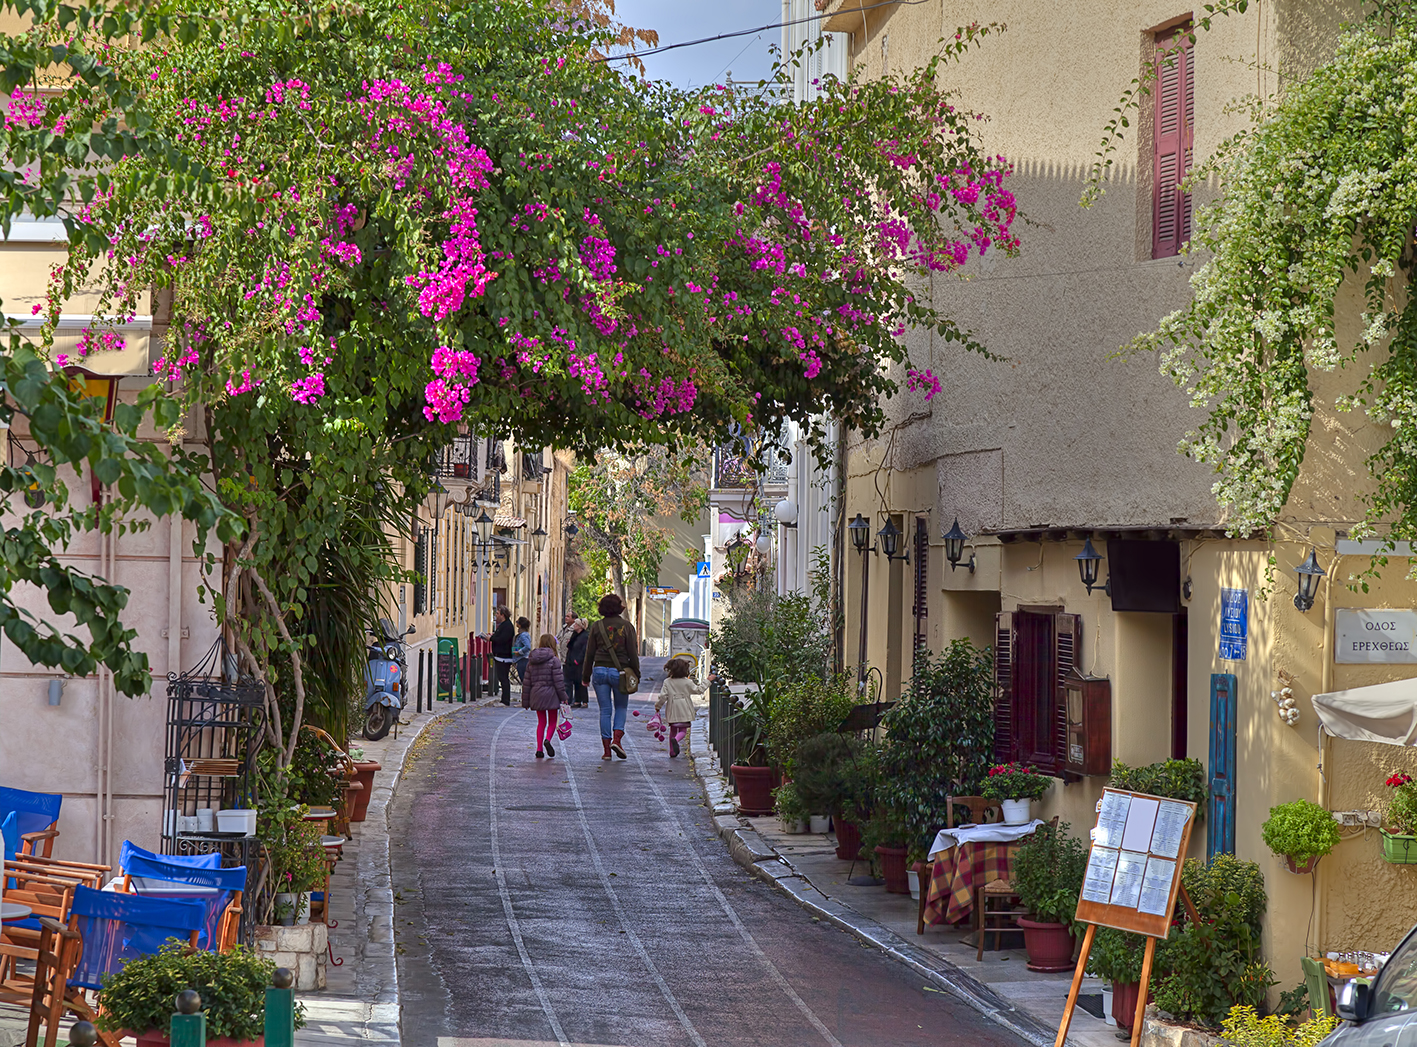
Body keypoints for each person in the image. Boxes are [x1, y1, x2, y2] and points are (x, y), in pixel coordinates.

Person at [582, 593, 640, 760]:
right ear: (619, 607)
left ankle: (607, 751)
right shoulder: (627, 626)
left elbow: (589, 653)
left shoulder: (596, 626)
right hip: (620, 672)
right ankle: (617, 740)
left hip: (599, 670)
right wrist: (636, 673)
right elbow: (633, 653)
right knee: (621, 707)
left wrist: (586, 676)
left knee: (605, 711)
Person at [520, 633, 569, 758]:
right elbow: (558, 682)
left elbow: (527, 682)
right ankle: (547, 739)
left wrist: (525, 701)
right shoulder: (554, 660)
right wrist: (564, 697)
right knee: (552, 721)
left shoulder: (531, 660)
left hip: (536, 693)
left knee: (541, 722)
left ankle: (539, 749)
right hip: (551, 694)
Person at [655, 658, 706, 759]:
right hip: (685, 708)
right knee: (683, 730)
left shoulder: (667, 682)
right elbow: (699, 690)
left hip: (672, 709)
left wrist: (658, 706)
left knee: (673, 730)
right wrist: (708, 681)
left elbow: (663, 696)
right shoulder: (688, 682)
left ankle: (672, 751)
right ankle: (677, 740)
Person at [489, 607, 514, 705]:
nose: (496, 615)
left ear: (503, 615)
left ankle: (505, 700)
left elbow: (502, 639)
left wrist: (491, 638)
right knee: (502, 678)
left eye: (498, 613)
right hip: (500, 655)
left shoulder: (507, 626)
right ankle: (504, 699)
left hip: (504, 656)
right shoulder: (503, 625)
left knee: (503, 678)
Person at [563, 618, 590, 708]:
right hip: (571, 661)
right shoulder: (575, 635)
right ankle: (577, 700)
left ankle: (584, 701)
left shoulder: (585, 636)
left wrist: (577, 660)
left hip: (579, 662)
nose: (574, 626)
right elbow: (570, 646)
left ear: (580, 626)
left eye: (575, 624)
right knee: (574, 681)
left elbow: (585, 650)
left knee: (581, 681)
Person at [512, 617, 532, 681]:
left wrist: (519, 652)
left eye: (517, 622)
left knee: (524, 680)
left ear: (520, 625)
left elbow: (527, 646)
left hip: (522, 660)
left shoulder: (523, 635)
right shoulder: (522, 634)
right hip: (521, 660)